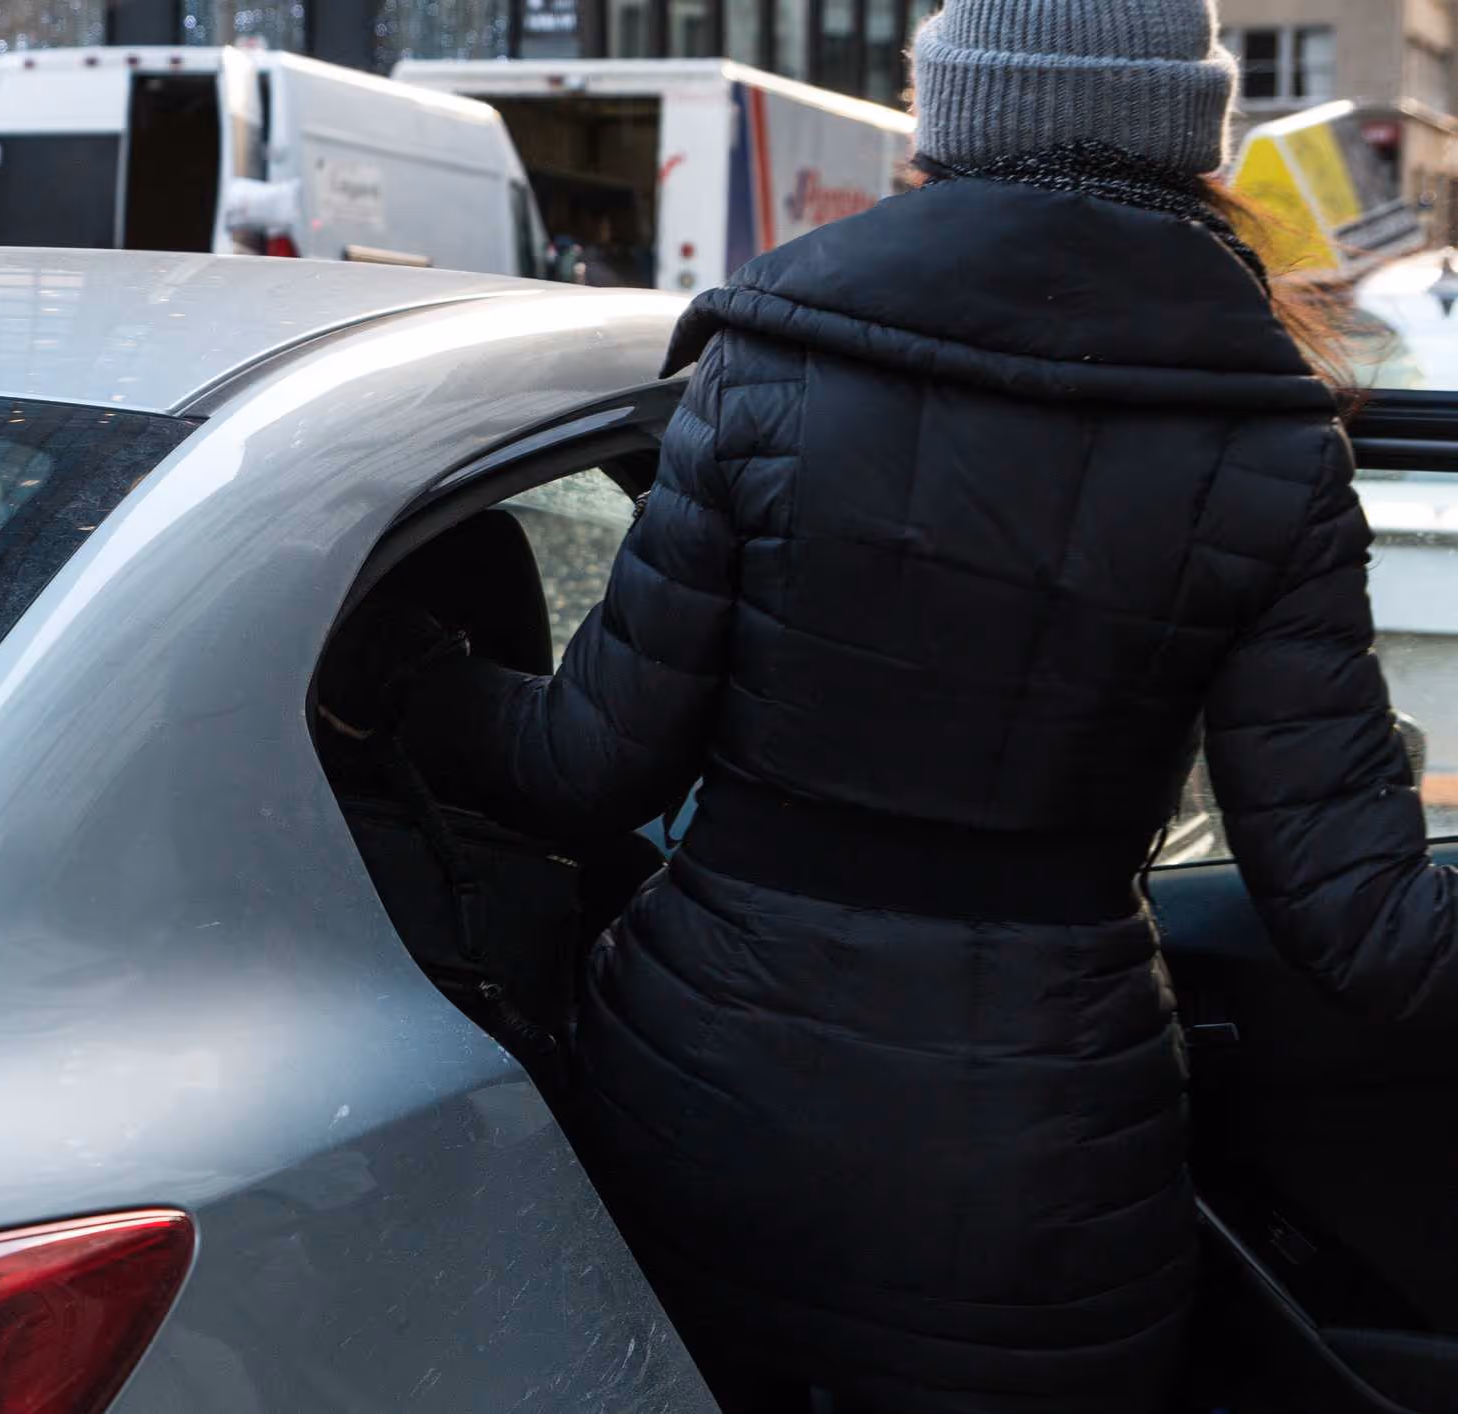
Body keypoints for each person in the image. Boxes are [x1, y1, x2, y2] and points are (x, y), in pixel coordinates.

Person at [349, 1, 1458, 1409]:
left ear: (951, 118)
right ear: (1191, 136)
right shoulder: (1269, 443)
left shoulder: (767, 357)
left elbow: (586, 763)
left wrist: (406, 679)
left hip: (696, 1111)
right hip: (1036, 1182)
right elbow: (1364, 926)